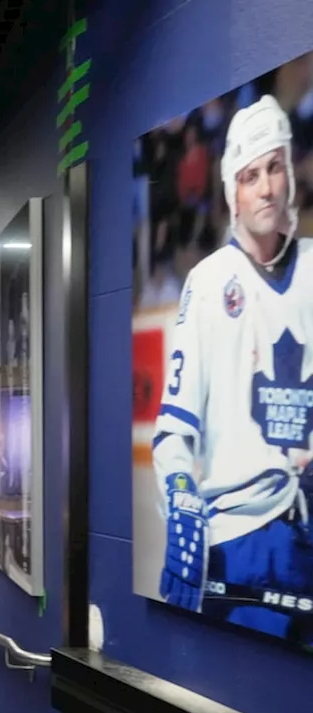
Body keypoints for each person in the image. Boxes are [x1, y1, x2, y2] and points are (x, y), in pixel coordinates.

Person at [152, 94, 313, 642]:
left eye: (274, 168)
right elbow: (173, 432)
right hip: (238, 538)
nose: (266, 187)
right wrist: (179, 494)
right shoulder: (208, 279)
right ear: (233, 192)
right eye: (250, 175)